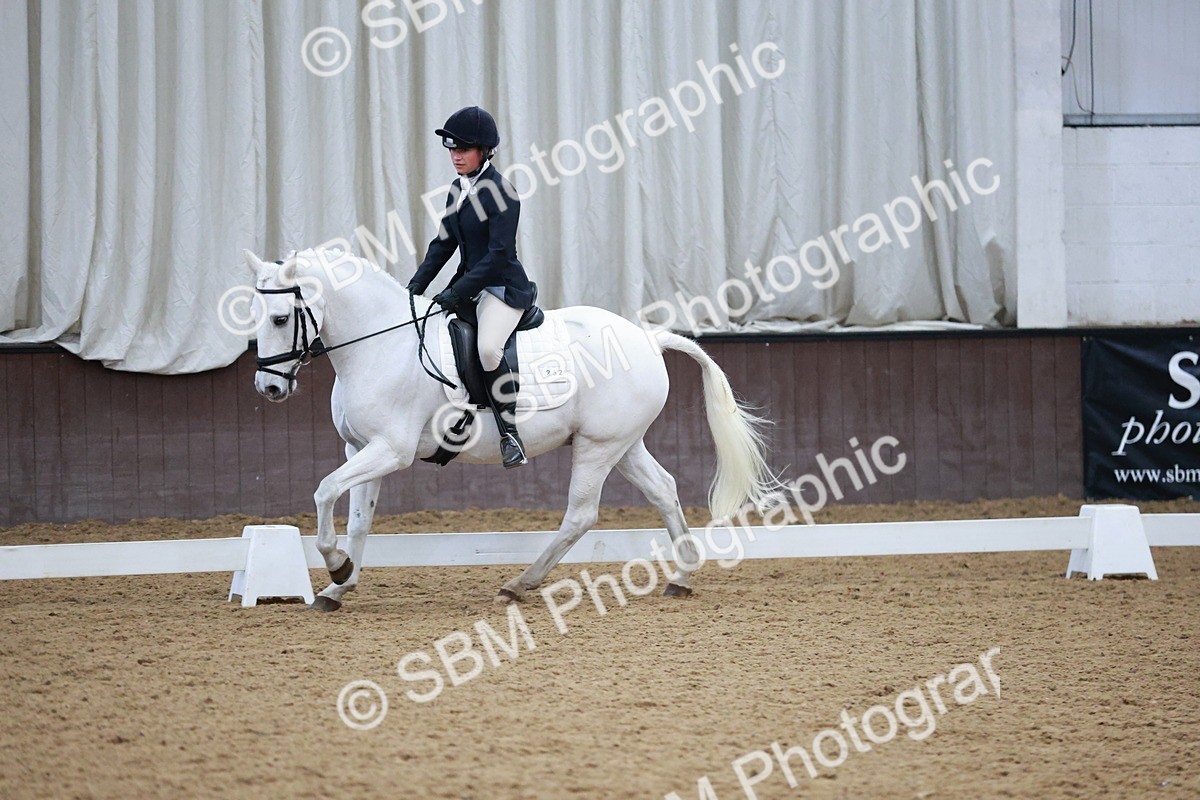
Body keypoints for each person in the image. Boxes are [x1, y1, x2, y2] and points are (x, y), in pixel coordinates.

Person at [407, 106, 536, 469]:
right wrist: (417, 285)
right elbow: (444, 243)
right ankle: (459, 409)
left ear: (485, 151)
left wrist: (457, 292)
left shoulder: (502, 193)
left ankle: (509, 434)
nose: (455, 156)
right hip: (469, 285)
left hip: (501, 289)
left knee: (489, 348)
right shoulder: (456, 190)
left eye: (463, 149)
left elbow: (497, 256)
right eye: (451, 149)